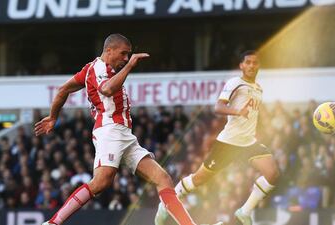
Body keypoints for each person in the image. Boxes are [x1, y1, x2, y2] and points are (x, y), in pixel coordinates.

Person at [35, 34, 221, 225]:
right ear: (109, 50)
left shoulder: (94, 70)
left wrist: (53, 117)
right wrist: (130, 66)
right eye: (123, 54)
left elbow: (63, 90)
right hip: (109, 130)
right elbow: (106, 90)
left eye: (128, 55)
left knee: (162, 178)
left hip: (124, 134)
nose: (125, 58)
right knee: (101, 183)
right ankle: (53, 223)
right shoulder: (99, 67)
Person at [155, 50, 281, 225]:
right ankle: (167, 203)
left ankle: (244, 212)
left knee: (272, 173)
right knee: (199, 178)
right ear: (241, 65)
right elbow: (218, 107)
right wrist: (237, 112)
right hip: (228, 143)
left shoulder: (258, 88)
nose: (252, 66)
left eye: (255, 63)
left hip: (248, 142)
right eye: (248, 62)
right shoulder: (236, 83)